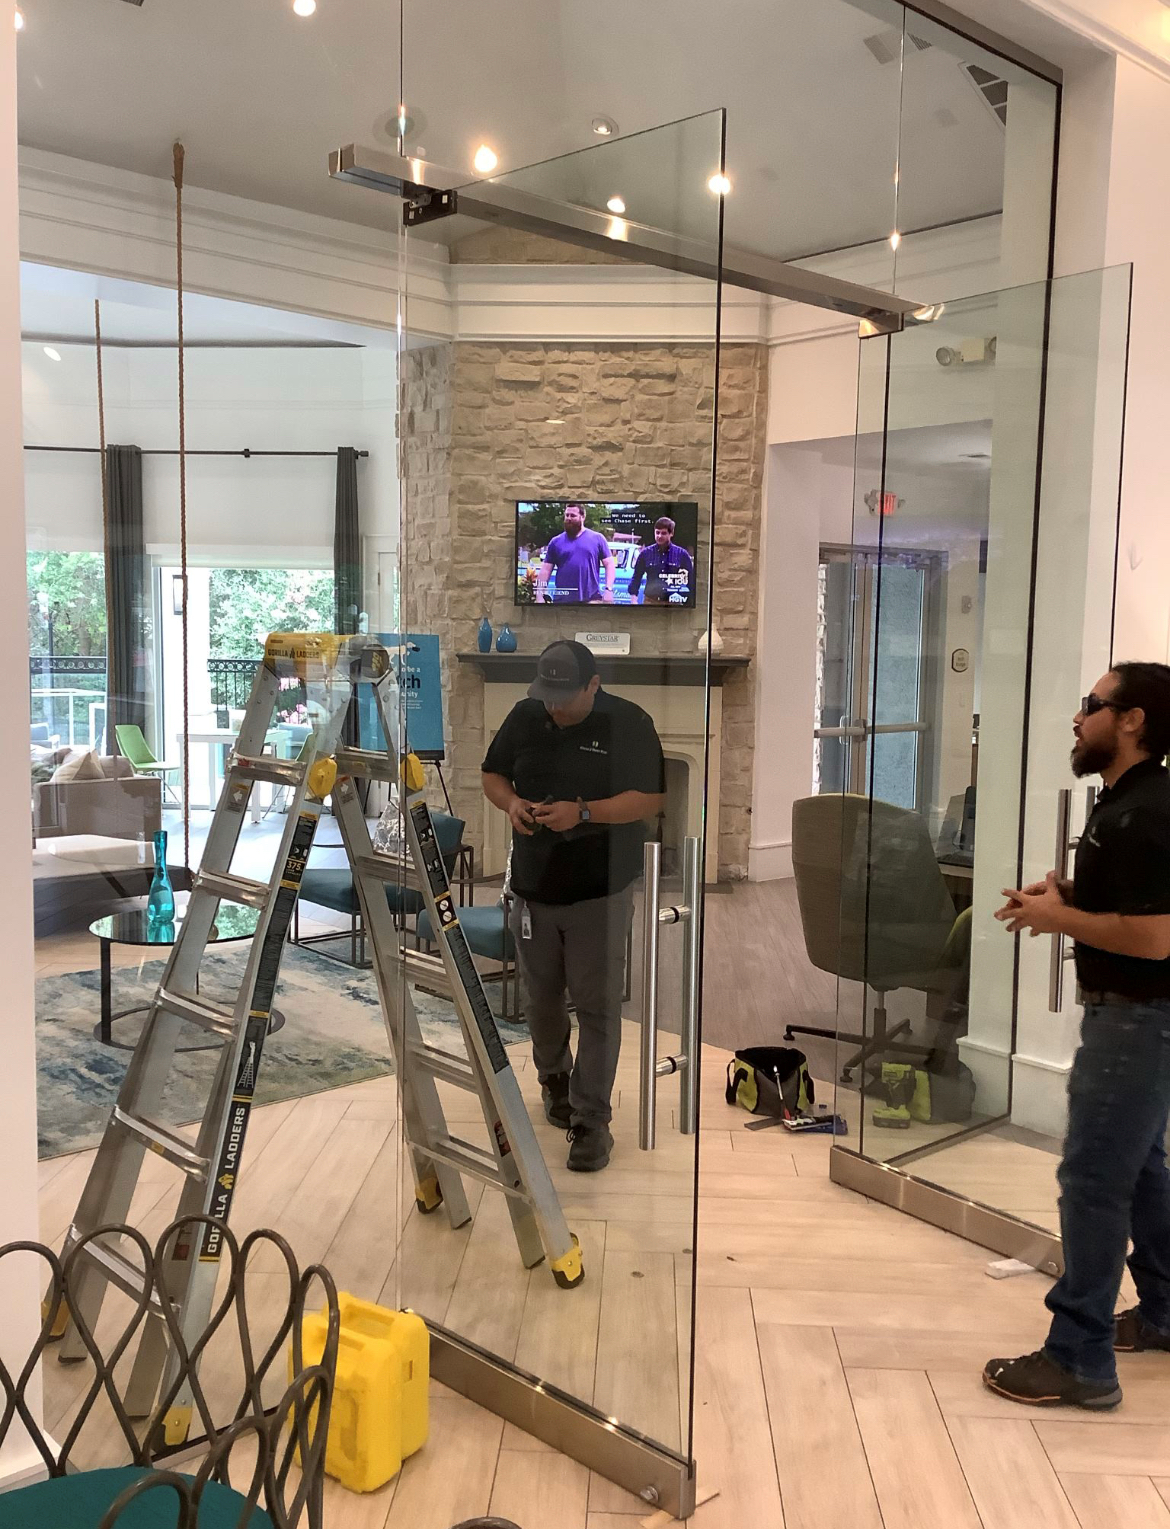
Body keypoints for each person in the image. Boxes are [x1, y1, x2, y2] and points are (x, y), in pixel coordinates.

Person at [984, 662, 1170, 1410]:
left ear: (1131, 721)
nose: (1077, 716)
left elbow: (1156, 938)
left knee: (1092, 1179)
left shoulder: (1149, 811)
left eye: (1090, 704)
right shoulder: (1122, 800)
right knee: (1145, 1169)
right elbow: (1125, 902)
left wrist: (1060, 919)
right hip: (1132, 1015)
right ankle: (1164, 1311)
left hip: (1138, 1016)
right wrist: (1065, 895)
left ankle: (1080, 1356)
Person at [481, 640, 665, 1171]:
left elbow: (651, 798)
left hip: (599, 888)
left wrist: (582, 812)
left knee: (596, 1005)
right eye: (548, 695)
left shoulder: (629, 722)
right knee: (541, 998)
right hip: (534, 885)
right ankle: (554, 1080)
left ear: (593, 684)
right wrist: (513, 803)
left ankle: (592, 1122)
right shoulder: (526, 714)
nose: (556, 708)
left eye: (567, 696)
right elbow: (493, 774)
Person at [536, 504, 616, 604]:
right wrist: (539, 595)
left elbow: (609, 564)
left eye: (573, 515)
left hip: (592, 600)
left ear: (582, 517)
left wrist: (609, 589)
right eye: (567, 515)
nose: (569, 518)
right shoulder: (555, 542)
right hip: (562, 601)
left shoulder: (597, 539)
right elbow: (546, 570)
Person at [628, 517, 696, 606]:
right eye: (657, 532)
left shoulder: (682, 554)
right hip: (650, 601)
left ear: (671, 533)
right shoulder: (645, 554)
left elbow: (690, 581)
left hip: (674, 602)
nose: (659, 536)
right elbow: (636, 578)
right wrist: (633, 600)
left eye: (663, 533)